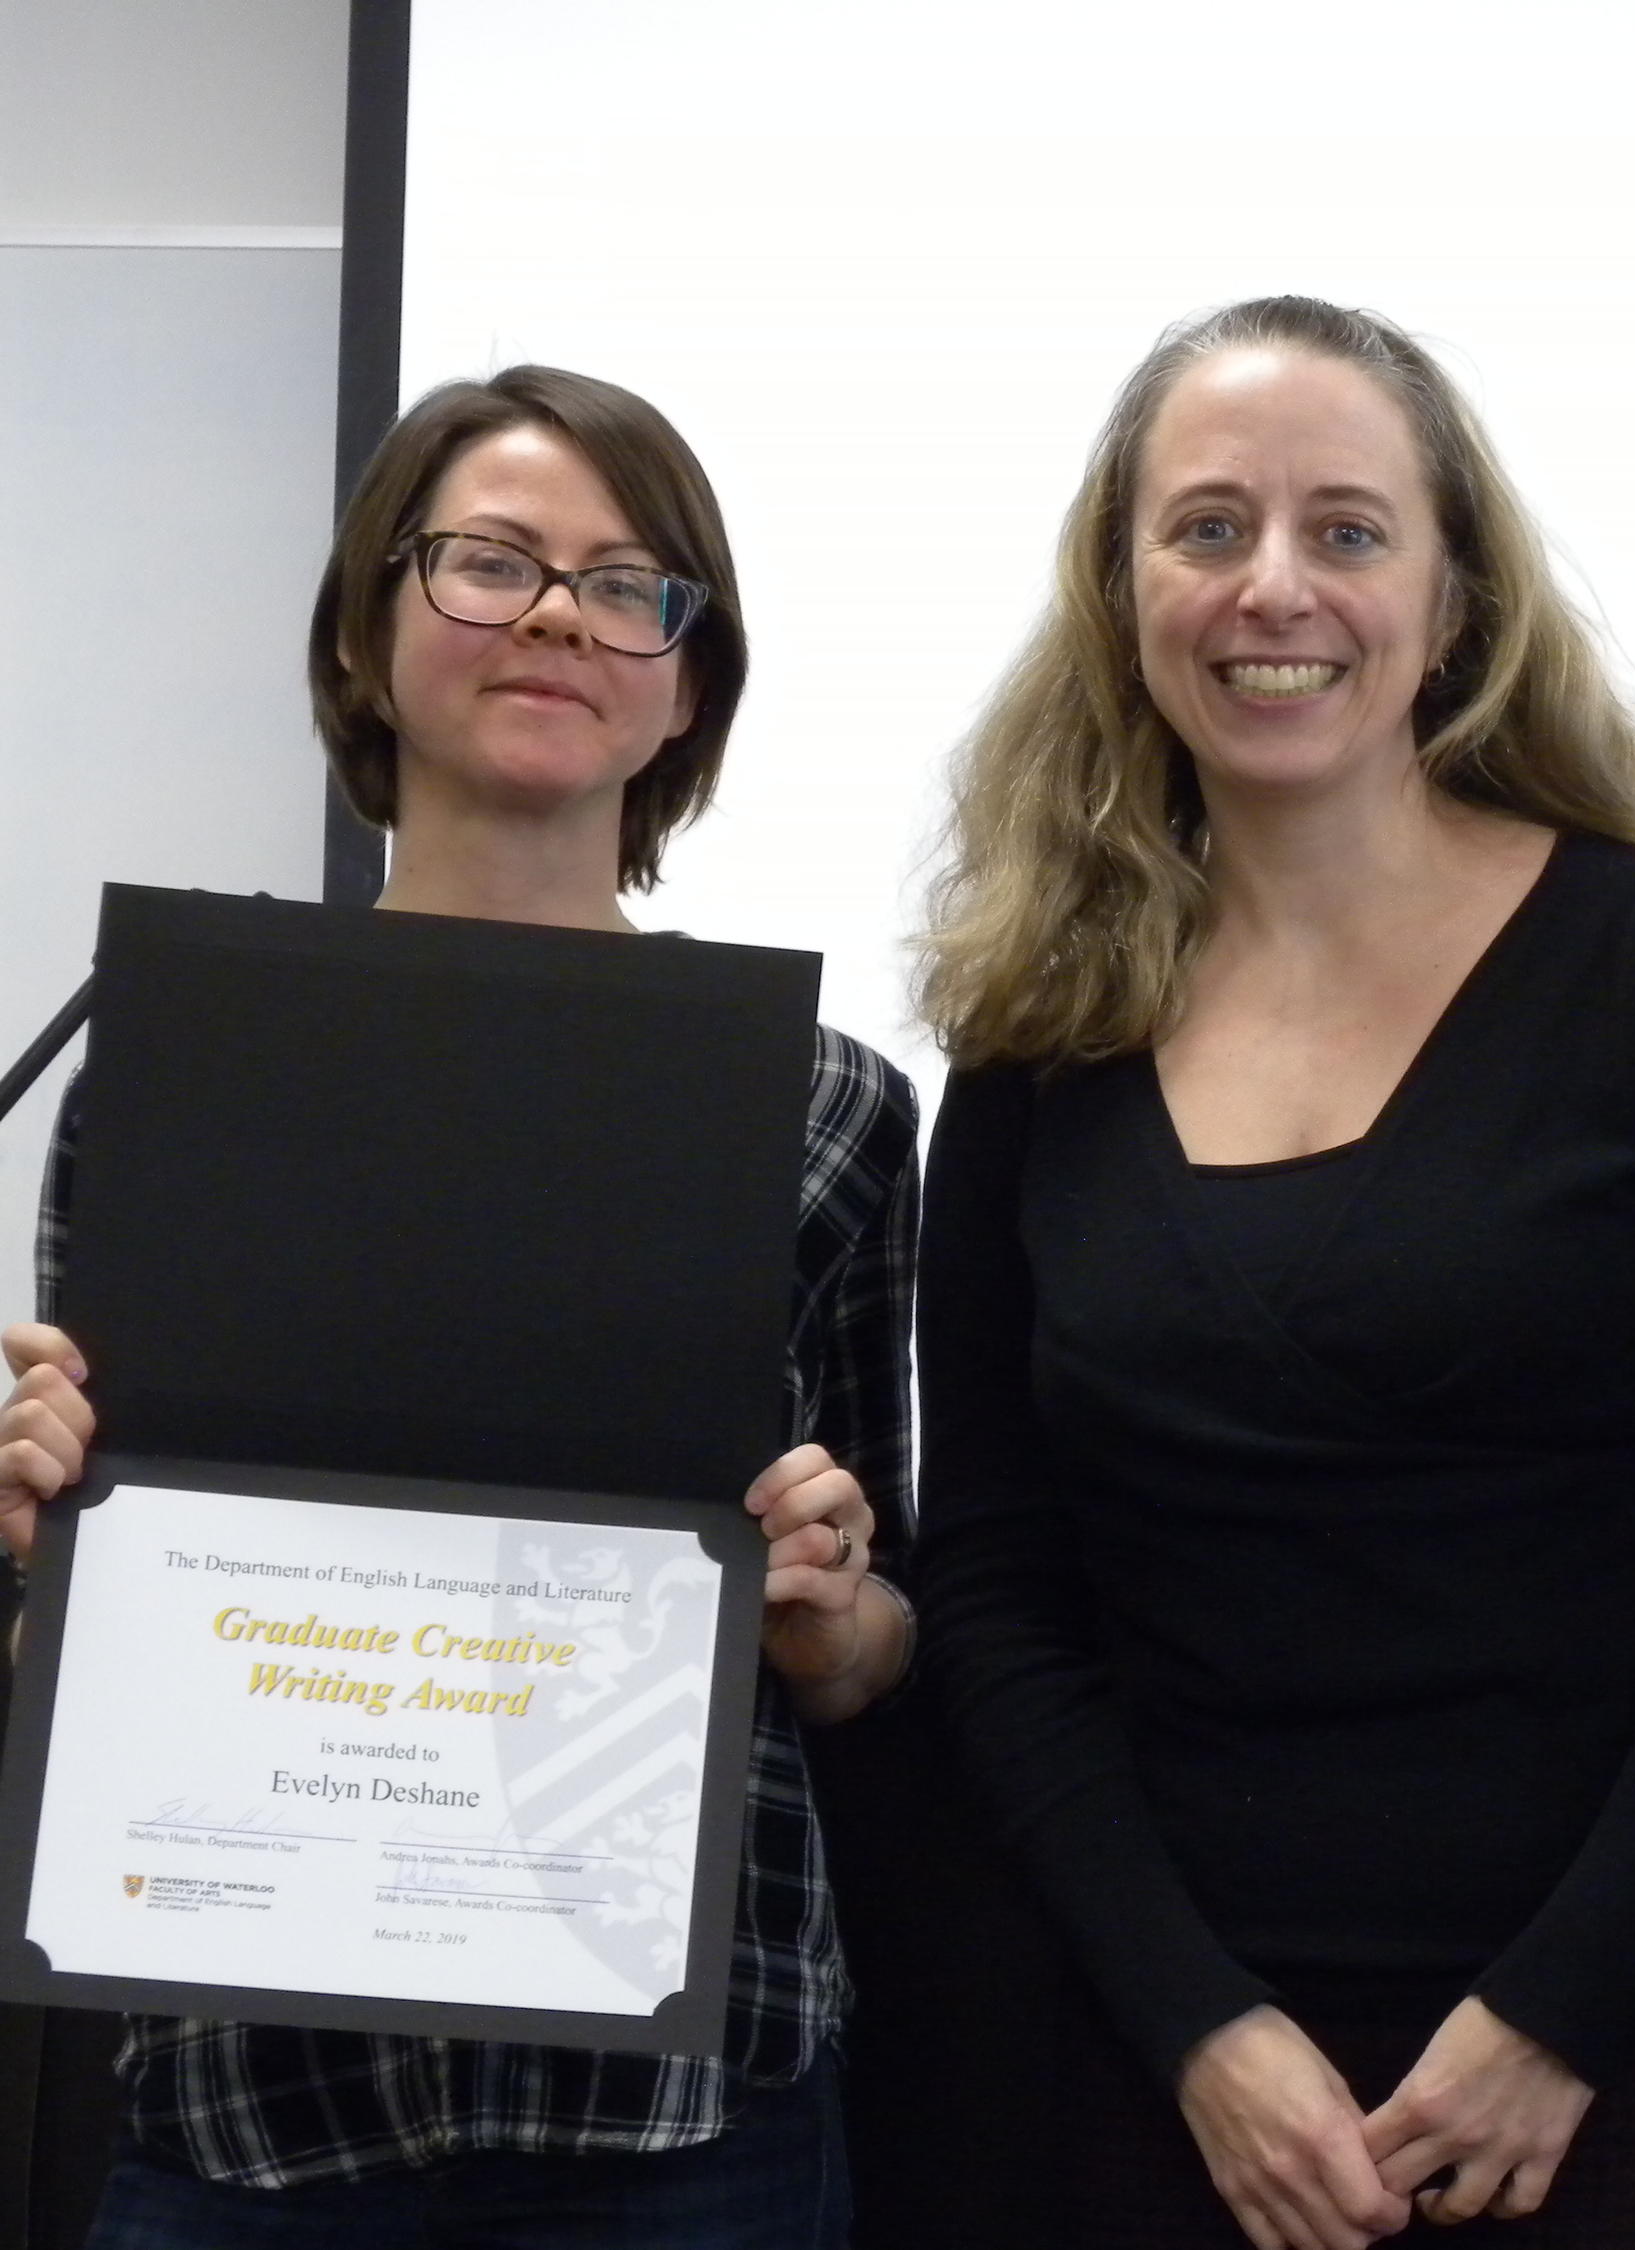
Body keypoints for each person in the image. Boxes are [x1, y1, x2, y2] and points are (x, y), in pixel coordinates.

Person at [915, 295, 1635, 2250]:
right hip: (1180, 2078)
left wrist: (1558, 2011)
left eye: (1347, 530)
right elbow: (1002, 1589)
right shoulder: (1035, 1043)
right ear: (1125, 599)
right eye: (1207, 529)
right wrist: (1197, 2028)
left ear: (1452, 602)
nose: (1275, 586)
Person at [0, 365, 913, 2248]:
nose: (564, 615)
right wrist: (33, 1536)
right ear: (368, 622)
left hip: (686, 2119)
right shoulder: (176, 1067)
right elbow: (74, 1648)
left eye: (632, 585)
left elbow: (885, 1640)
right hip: (254, 2108)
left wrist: (827, 1602)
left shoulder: (823, 1104)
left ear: (686, 681)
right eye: (493, 562)